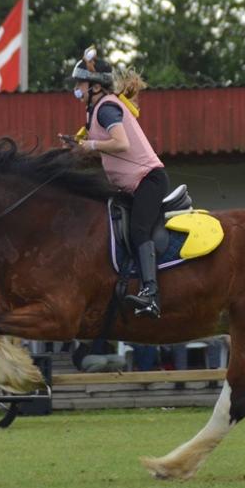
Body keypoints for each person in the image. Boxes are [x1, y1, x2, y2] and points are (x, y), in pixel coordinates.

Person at [63, 46, 167, 318]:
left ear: (96, 87)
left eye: (81, 83)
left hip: (149, 181)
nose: (77, 88)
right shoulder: (97, 109)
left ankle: (151, 294)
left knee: (138, 231)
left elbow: (121, 143)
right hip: (131, 185)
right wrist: (80, 147)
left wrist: (90, 146)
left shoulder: (106, 108)